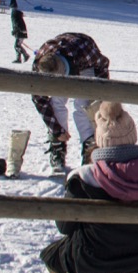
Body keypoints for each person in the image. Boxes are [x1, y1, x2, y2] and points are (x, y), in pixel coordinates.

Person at [40, 102, 138, 273]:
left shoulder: (83, 179)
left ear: (100, 140)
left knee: (52, 254)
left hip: (93, 260)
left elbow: (64, 226)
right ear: (132, 136)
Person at [31, 32, 111, 171]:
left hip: (83, 61)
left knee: (84, 106)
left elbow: (103, 64)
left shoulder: (85, 53)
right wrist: (56, 130)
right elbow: (40, 100)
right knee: (56, 102)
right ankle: (58, 146)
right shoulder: (39, 66)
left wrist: (100, 95)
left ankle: (90, 148)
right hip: (63, 57)